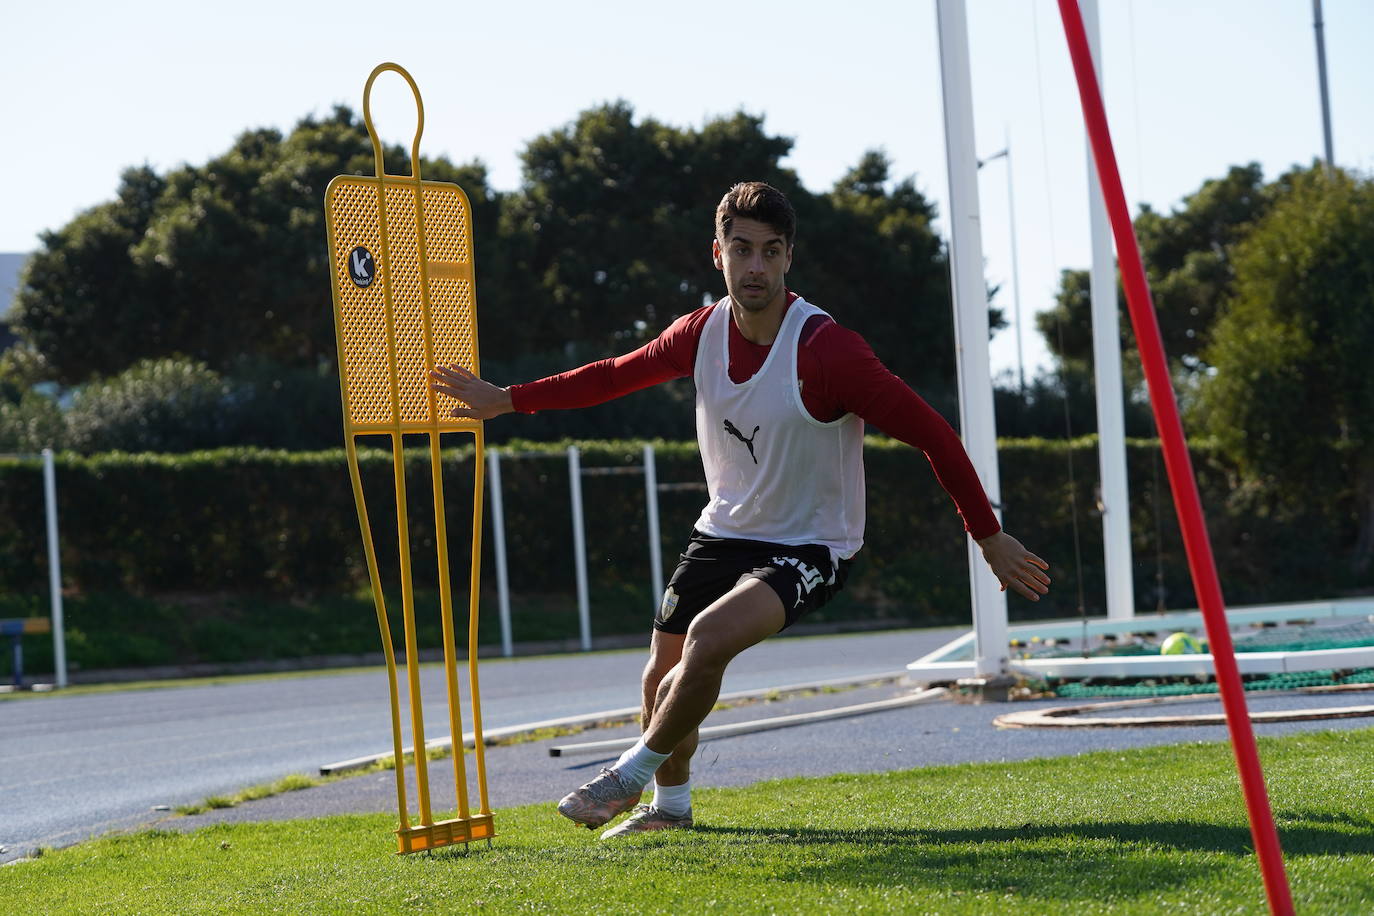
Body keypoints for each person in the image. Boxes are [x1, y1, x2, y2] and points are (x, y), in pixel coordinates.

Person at [429, 181, 1050, 839]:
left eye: (771, 252)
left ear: (788, 259)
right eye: (742, 249)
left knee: (708, 640)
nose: (756, 267)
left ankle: (627, 776)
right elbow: (612, 374)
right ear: (717, 254)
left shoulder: (828, 351)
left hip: (812, 545)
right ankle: (670, 812)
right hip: (723, 531)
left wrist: (988, 536)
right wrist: (509, 400)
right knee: (658, 679)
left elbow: (933, 432)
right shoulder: (698, 334)